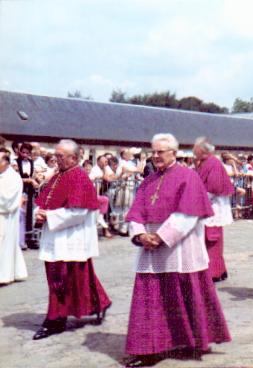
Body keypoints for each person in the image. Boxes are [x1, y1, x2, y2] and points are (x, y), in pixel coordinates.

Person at [124, 134, 230, 367]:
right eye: (153, 152)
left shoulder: (188, 177)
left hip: (179, 246)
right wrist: (140, 234)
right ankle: (150, 348)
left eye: (160, 152)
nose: (155, 156)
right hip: (150, 246)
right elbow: (135, 212)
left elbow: (188, 214)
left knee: (185, 293)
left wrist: (161, 237)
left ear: (174, 152)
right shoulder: (148, 181)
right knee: (152, 298)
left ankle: (190, 341)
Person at [32, 139, 111, 340]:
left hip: (71, 236)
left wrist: (48, 216)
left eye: (61, 156)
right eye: (56, 155)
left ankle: (56, 319)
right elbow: (43, 200)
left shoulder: (79, 177)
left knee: (65, 277)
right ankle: (99, 302)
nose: (56, 159)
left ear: (74, 158)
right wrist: (39, 212)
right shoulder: (58, 175)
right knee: (71, 277)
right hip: (57, 234)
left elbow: (79, 212)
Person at [194, 137, 234, 282]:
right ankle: (219, 269)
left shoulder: (213, 163)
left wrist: (196, 199)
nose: (193, 151)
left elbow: (214, 187)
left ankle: (214, 272)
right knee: (209, 240)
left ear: (202, 150)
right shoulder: (205, 163)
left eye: (195, 148)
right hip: (208, 206)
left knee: (212, 240)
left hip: (213, 207)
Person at [0, 148, 28, 284]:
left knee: (5, 244)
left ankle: (4, 275)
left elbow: (7, 200)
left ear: (5, 163)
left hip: (6, 216)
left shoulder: (13, 178)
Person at [16, 142, 40, 249]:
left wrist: (36, 180)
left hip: (29, 191)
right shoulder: (16, 162)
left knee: (29, 214)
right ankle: (20, 239)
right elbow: (16, 178)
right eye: (23, 152)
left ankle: (28, 237)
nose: (25, 155)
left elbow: (33, 175)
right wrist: (30, 180)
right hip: (20, 189)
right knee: (21, 214)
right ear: (20, 152)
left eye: (27, 153)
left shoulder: (31, 162)